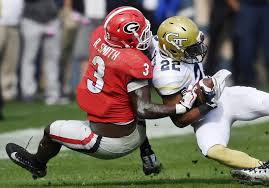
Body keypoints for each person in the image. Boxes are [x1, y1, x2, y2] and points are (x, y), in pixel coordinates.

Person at [5, 7, 196, 179]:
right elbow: (142, 109)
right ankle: (148, 155)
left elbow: (143, 110)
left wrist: (179, 106)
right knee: (131, 99)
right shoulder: (132, 61)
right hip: (123, 132)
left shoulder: (99, 36)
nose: (146, 35)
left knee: (51, 130)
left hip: (114, 140)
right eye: (141, 32)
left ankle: (37, 165)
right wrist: (180, 106)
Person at [150, 16, 269, 185]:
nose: (198, 50)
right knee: (212, 149)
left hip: (226, 96)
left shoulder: (159, 42)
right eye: (191, 49)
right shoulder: (167, 76)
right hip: (204, 114)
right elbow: (180, 120)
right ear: (173, 50)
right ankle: (263, 168)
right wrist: (208, 104)